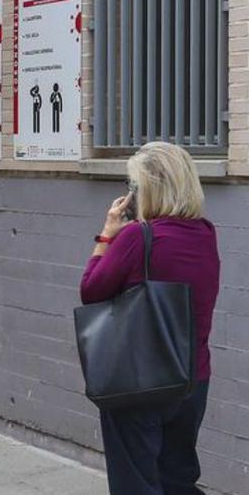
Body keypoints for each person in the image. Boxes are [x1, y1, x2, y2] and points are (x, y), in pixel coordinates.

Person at [80, 142, 219, 495]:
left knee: (136, 484)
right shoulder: (206, 233)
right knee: (178, 481)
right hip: (191, 380)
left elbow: (91, 289)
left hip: (139, 382)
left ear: (148, 188)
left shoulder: (137, 238)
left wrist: (106, 235)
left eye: (134, 186)